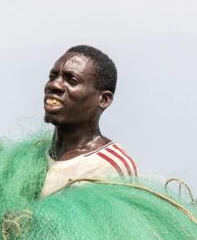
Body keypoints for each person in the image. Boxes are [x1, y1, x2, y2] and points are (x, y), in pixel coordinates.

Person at [40, 45, 137, 198]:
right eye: (53, 76)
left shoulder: (111, 166)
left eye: (72, 80)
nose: (54, 85)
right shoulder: (34, 154)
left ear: (104, 99)